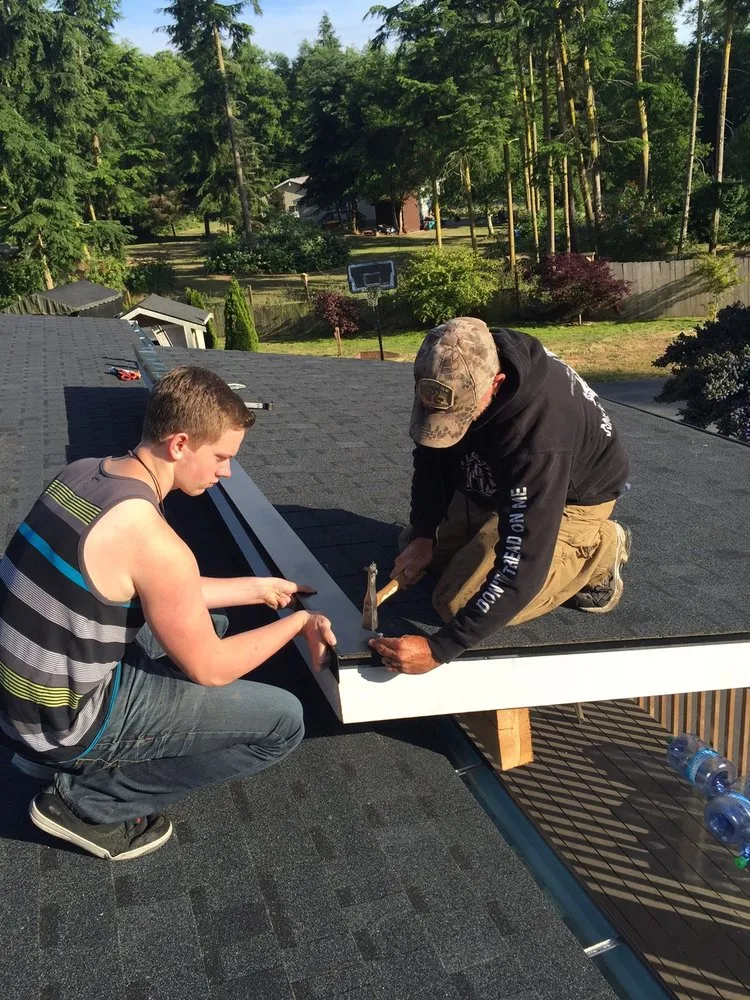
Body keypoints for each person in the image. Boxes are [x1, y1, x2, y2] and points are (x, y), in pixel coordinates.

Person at [0, 366, 336, 860]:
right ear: (180, 444)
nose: (226, 471)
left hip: (21, 698)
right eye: (221, 456)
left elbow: (155, 587)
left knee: (212, 625)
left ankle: (48, 757)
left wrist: (257, 588)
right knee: (284, 722)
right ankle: (89, 801)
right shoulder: (154, 539)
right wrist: (298, 624)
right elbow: (212, 668)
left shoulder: (84, 474)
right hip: (63, 720)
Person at [370, 317, 630, 675]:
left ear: (497, 383)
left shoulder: (538, 439)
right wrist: (423, 533)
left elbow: (522, 565)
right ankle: (485, 526)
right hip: (500, 479)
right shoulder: (457, 363)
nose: (448, 424)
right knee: (413, 551)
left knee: (457, 604)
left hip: (570, 498)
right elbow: (431, 457)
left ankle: (598, 552)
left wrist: (439, 648)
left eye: (461, 416)